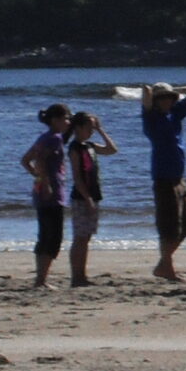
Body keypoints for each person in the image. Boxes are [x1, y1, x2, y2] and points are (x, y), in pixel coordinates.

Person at [139, 82, 186, 281]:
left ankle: (163, 264)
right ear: (157, 101)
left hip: (179, 177)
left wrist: (175, 90)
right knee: (169, 227)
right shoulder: (151, 118)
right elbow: (146, 92)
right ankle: (167, 267)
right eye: (163, 98)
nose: (166, 101)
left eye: (169, 98)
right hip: (163, 178)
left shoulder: (175, 113)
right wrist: (156, 93)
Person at [19, 103, 70, 289]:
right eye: (66, 118)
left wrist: (38, 178)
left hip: (42, 191)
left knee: (46, 234)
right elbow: (39, 160)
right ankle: (41, 279)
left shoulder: (46, 138)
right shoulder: (54, 139)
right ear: (55, 120)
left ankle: (41, 278)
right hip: (50, 193)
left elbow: (26, 160)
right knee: (52, 236)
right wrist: (46, 183)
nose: (68, 122)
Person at [65, 107, 118, 286]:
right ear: (78, 128)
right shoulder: (75, 148)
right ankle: (76, 276)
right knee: (80, 237)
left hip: (94, 195)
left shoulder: (90, 146)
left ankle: (82, 275)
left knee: (86, 237)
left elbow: (112, 150)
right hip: (81, 197)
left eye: (91, 128)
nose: (90, 131)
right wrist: (87, 198)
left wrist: (100, 130)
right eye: (88, 128)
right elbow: (77, 177)